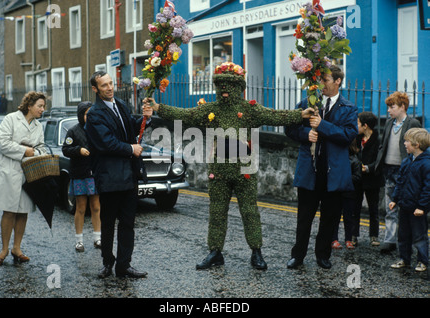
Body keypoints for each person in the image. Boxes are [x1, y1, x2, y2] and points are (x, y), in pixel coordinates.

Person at [144, 62, 314, 270]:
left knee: (250, 212)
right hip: (219, 171)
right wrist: (159, 107)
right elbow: (185, 115)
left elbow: (274, 115)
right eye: (221, 84)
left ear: (239, 87)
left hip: (245, 171)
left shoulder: (249, 109)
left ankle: (256, 252)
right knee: (216, 212)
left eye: (230, 85)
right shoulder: (210, 109)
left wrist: (300, 115)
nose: (225, 89)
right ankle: (215, 252)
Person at [285, 65, 358, 269]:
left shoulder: (349, 108)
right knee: (304, 218)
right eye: (319, 80)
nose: (321, 85)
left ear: (338, 81)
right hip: (310, 172)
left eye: (325, 80)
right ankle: (297, 256)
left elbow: (347, 136)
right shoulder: (308, 103)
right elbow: (289, 128)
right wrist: (305, 135)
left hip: (333, 174)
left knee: (330, 219)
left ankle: (322, 255)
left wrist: (321, 125)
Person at [85, 71, 152, 279]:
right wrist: (131, 149)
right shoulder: (95, 114)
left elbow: (131, 127)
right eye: (104, 85)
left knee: (127, 223)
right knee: (108, 223)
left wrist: (145, 118)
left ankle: (124, 265)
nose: (110, 88)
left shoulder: (121, 105)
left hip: (129, 175)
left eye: (111, 83)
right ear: (95, 89)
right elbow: (106, 143)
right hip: (110, 177)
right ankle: (107, 262)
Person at [0, 91, 47, 266]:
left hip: (27, 174)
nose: (42, 109)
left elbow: (42, 147)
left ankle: (17, 248)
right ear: (29, 106)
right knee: (9, 211)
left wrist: (35, 152)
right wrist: (24, 150)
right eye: (39, 106)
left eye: (44, 106)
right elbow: (2, 143)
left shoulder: (38, 126)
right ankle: (4, 250)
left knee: (23, 211)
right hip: (9, 172)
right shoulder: (11, 119)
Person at [375, 92, 421, 253]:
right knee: (390, 207)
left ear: (402, 107)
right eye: (388, 107)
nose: (388, 110)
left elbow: (418, 147)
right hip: (389, 169)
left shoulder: (412, 122)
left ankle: (409, 242)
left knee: (407, 208)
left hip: (405, 171)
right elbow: (383, 145)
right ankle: (390, 240)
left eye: (392, 106)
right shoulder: (389, 123)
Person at [62, 101, 101, 252]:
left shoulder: (98, 130)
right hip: (79, 174)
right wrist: (79, 150)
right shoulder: (73, 131)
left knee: (96, 207)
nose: (89, 117)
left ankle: (98, 238)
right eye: (86, 114)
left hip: (94, 174)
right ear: (80, 115)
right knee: (81, 208)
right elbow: (66, 149)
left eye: (92, 114)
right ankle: (79, 241)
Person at [389, 128, 429, 272]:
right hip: (404, 205)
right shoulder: (406, 161)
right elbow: (400, 182)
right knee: (403, 235)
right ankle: (404, 259)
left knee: (419, 236)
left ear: (417, 144)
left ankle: (422, 261)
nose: (404, 143)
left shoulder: (426, 164)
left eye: (407, 141)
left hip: (417, 209)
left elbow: (427, 188)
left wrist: (422, 207)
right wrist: (395, 199)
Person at [352, 111, 383, 247]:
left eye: (358, 123)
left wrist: (368, 168)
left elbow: (380, 159)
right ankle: (353, 235)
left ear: (365, 126)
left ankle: (374, 235)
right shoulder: (356, 138)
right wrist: (359, 167)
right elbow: (351, 155)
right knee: (355, 208)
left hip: (373, 178)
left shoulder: (378, 139)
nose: (356, 125)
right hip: (358, 178)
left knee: (373, 209)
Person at [331, 139, 361, 250]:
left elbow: (357, 177)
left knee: (348, 218)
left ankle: (348, 239)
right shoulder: (342, 159)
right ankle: (334, 239)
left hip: (348, 193)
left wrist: (344, 177)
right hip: (341, 192)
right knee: (336, 217)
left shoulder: (355, 161)